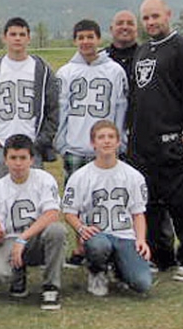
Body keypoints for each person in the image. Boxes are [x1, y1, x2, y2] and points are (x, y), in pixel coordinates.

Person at [128, 0, 183, 281]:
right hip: (143, 144)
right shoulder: (143, 51)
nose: (150, 22)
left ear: (168, 14)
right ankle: (161, 257)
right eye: (146, 18)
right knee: (150, 204)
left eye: (155, 16)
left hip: (174, 140)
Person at [0, 17, 59, 267]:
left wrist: (41, 142)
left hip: (32, 147)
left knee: (36, 198)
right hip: (1, 146)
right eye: (13, 34)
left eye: (22, 34)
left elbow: (53, 110)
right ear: (5, 37)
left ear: (29, 37)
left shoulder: (42, 69)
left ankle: (36, 246)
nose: (18, 38)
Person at [54, 20, 129, 267]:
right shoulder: (66, 72)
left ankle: (105, 248)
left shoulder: (115, 70)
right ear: (75, 40)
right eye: (81, 37)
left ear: (99, 38)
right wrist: (61, 140)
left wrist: (120, 139)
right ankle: (80, 247)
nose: (86, 41)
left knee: (105, 199)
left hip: (105, 146)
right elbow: (61, 109)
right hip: (75, 143)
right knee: (77, 201)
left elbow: (120, 106)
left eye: (90, 36)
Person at [62, 120, 152, 296]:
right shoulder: (80, 176)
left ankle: (120, 270)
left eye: (111, 137)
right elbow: (69, 212)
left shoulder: (133, 176)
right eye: (101, 137)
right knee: (98, 246)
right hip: (98, 235)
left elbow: (138, 214)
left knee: (142, 284)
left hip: (125, 236)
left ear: (118, 142)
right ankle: (97, 271)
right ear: (93, 143)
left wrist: (141, 239)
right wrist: (81, 229)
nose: (106, 141)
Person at [0, 134, 66, 311]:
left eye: (23, 158)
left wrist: (23, 238)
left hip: (37, 239)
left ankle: (51, 286)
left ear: (32, 159)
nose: (18, 163)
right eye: (13, 158)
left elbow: (52, 214)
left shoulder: (45, 179)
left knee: (57, 230)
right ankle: (17, 274)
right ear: (5, 160)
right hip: (11, 241)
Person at [104, 10, 139, 76]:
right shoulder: (101, 58)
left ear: (137, 30)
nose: (125, 27)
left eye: (130, 23)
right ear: (111, 29)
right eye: (120, 23)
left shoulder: (146, 57)